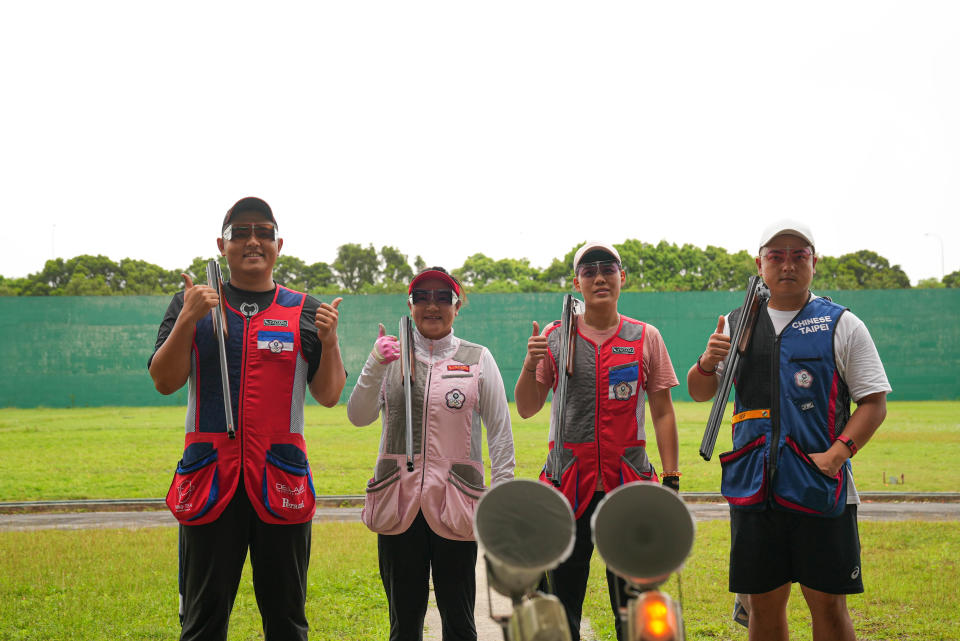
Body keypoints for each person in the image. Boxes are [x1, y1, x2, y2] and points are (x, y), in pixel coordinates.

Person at [148, 196, 346, 641]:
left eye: (263, 232)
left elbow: (329, 394)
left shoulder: (306, 309)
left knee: (287, 620)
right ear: (222, 244)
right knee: (201, 621)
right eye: (240, 232)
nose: (252, 241)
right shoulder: (192, 301)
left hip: (281, 479)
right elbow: (164, 380)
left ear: (279, 244)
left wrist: (330, 342)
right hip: (209, 479)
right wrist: (187, 318)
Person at [686, 220, 890, 641]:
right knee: (762, 606)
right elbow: (700, 391)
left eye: (799, 255)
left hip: (821, 487)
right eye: (776, 256)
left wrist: (837, 455)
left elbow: (874, 402)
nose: (787, 265)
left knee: (829, 606)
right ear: (759, 262)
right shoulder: (737, 322)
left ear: (814, 262)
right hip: (753, 489)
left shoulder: (842, 323)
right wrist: (708, 361)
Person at [514, 241, 681, 641]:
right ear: (577, 282)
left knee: (636, 601)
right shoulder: (556, 336)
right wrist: (530, 363)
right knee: (558, 600)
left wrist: (671, 477)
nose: (600, 277)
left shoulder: (645, 336)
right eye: (589, 271)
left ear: (622, 277)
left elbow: (662, 411)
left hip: (629, 487)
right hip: (567, 485)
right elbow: (526, 407)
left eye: (608, 269)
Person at [346, 266, 516, 641]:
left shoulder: (477, 357)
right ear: (410, 305)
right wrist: (375, 363)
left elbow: (500, 431)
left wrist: (502, 497)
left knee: (459, 620)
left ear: (457, 306)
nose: (432, 305)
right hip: (398, 503)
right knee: (404, 623)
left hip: (457, 504)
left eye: (443, 297)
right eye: (422, 297)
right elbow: (358, 416)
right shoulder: (388, 356)